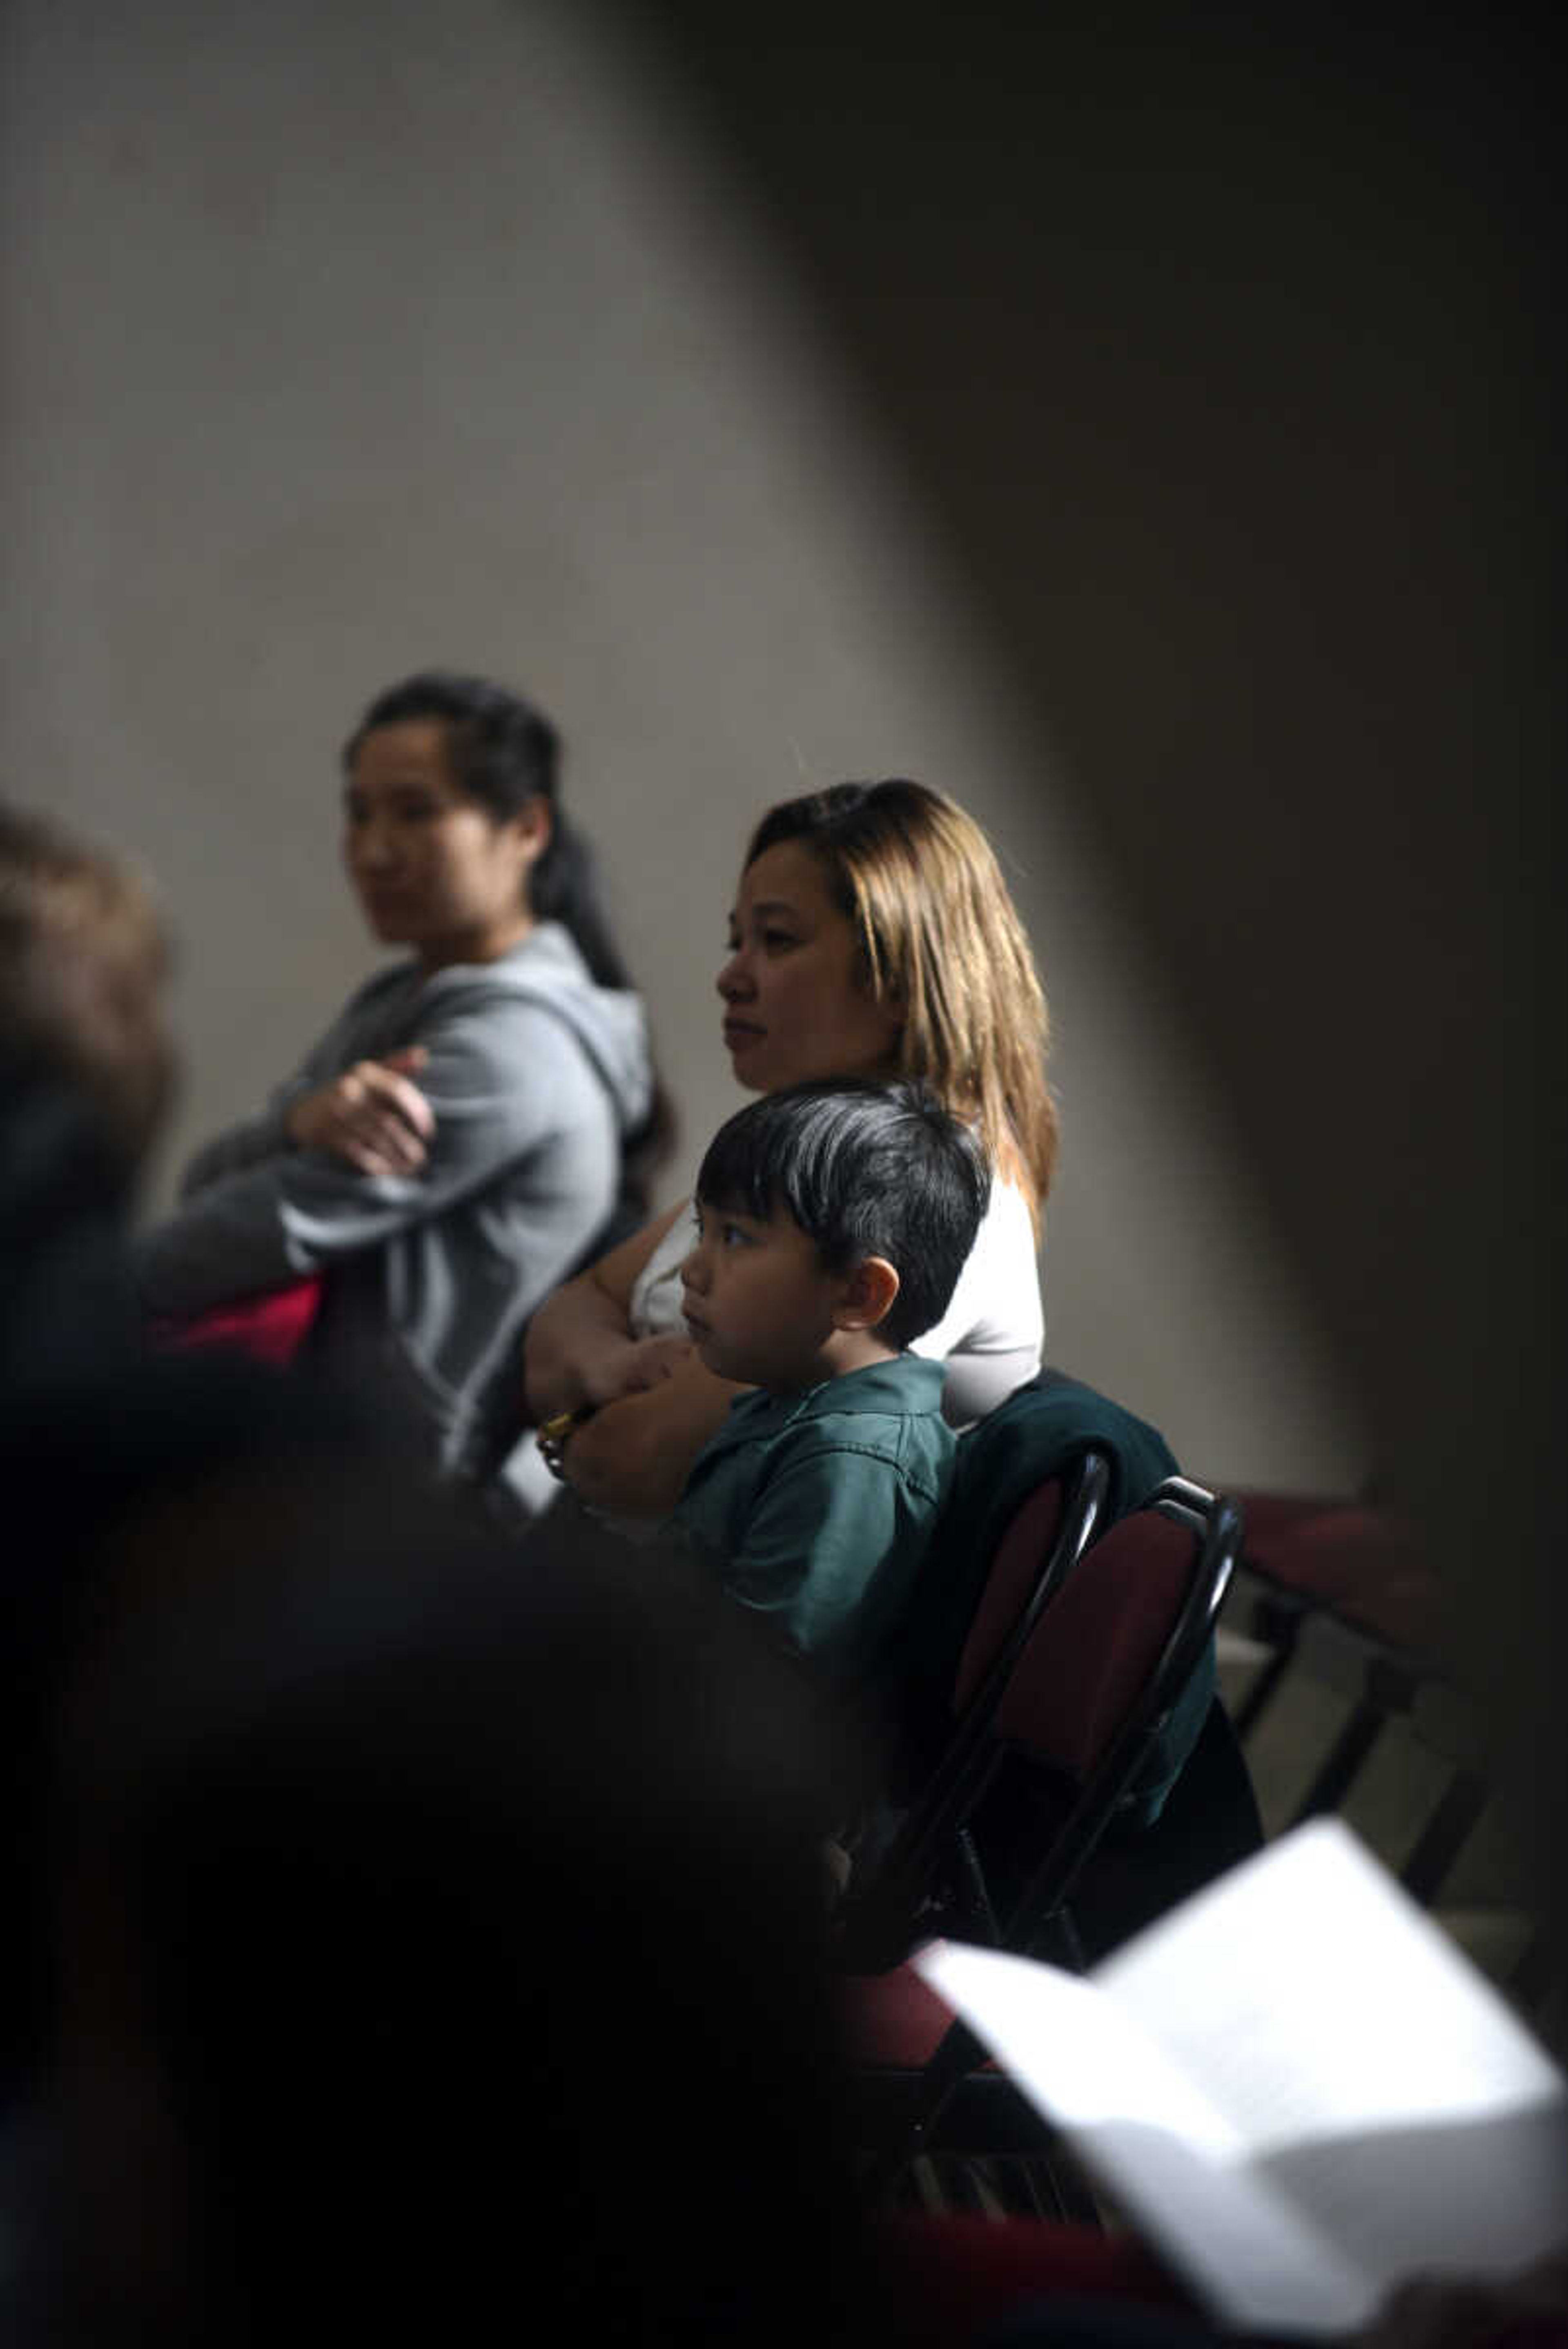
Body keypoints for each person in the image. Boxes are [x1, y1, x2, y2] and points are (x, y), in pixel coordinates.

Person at [131, 671, 666, 1483]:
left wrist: (71, 1298)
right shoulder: (398, 1000)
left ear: (525, 828)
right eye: (359, 811)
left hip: (377, 1506)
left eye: (416, 811)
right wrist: (298, 1121)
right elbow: (210, 1183)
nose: (373, 849)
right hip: (305, 1461)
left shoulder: (512, 1047)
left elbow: (251, 1231)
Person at [524, 778, 1056, 1519]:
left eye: (777, 940)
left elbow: (636, 1463)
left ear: (900, 976)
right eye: (735, 940)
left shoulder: (939, 1188)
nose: (731, 976)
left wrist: (571, 1423)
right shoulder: (796, 1153)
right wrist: (614, 1367)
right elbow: (566, 1315)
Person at [668, 1077, 989, 1679]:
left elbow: (754, 1696)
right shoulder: (792, 1402)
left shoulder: (851, 1461)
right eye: (701, 1229)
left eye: (735, 1237)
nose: (691, 1269)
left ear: (859, 1293)